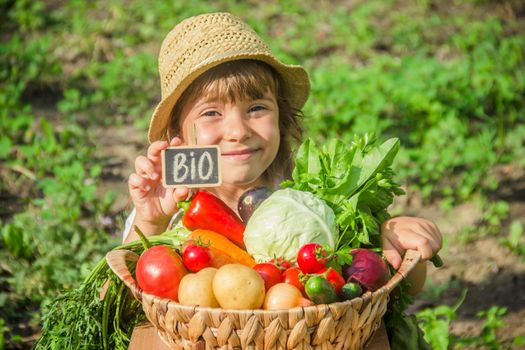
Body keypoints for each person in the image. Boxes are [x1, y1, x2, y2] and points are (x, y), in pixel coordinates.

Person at [123, 12, 442, 295]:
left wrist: (398, 241)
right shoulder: (171, 217)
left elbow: (396, 291)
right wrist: (150, 223)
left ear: (281, 116)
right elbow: (117, 304)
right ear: (178, 136)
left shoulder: (308, 199)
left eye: (257, 108)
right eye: (211, 113)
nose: (238, 131)